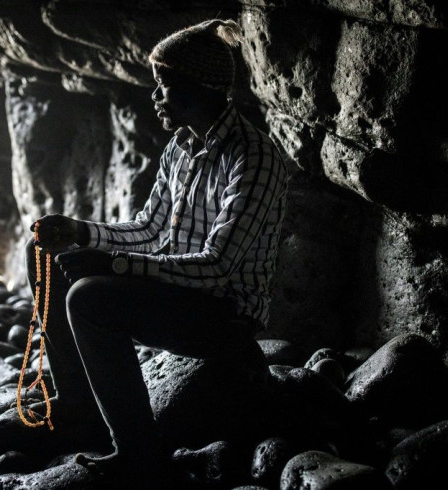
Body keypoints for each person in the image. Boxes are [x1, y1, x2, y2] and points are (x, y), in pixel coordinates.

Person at [28, 18, 288, 484]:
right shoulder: (180, 147)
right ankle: (82, 410)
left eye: (164, 84)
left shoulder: (254, 158)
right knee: (46, 255)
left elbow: (218, 268)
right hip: (176, 289)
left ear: (203, 88)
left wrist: (114, 265)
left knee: (88, 298)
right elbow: (149, 229)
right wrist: (80, 234)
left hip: (223, 313)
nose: (155, 95)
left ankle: (139, 453)